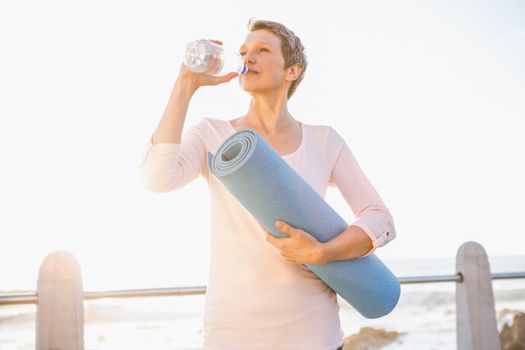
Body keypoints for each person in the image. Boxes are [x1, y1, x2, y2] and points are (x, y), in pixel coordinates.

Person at [140, 18, 396, 350]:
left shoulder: (324, 141)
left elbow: (380, 219)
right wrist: (185, 85)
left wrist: (321, 252)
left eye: (262, 50)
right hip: (232, 333)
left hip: (313, 334)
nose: (248, 58)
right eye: (244, 51)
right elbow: (157, 178)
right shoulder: (212, 135)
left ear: (292, 70)